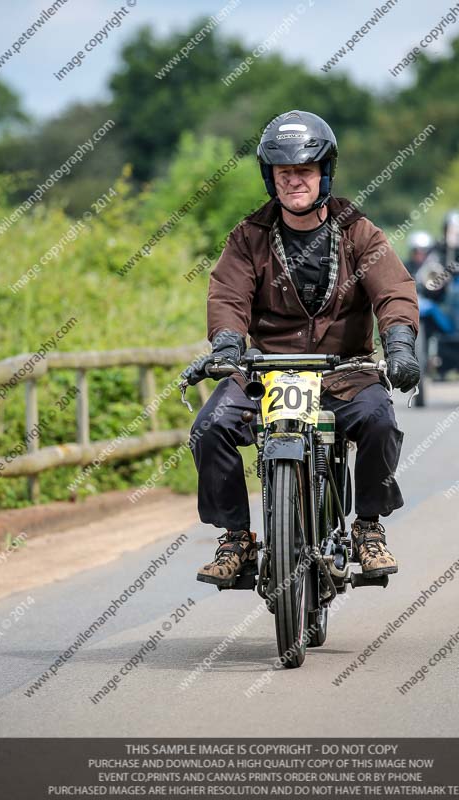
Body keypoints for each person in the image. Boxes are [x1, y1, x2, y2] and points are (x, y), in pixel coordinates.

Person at [181, 110, 420, 589]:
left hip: (344, 374)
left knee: (379, 420)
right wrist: (228, 342)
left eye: (304, 171)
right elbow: (228, 294)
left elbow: (393, 291)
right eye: (283, 173)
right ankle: (236, 537)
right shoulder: (248, 237)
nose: (294, 182)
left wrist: (399, 344)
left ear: (324, 173)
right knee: (209, 427)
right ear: (271, 178)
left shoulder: (359, 233)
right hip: (266, 371)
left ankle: (368, 527)